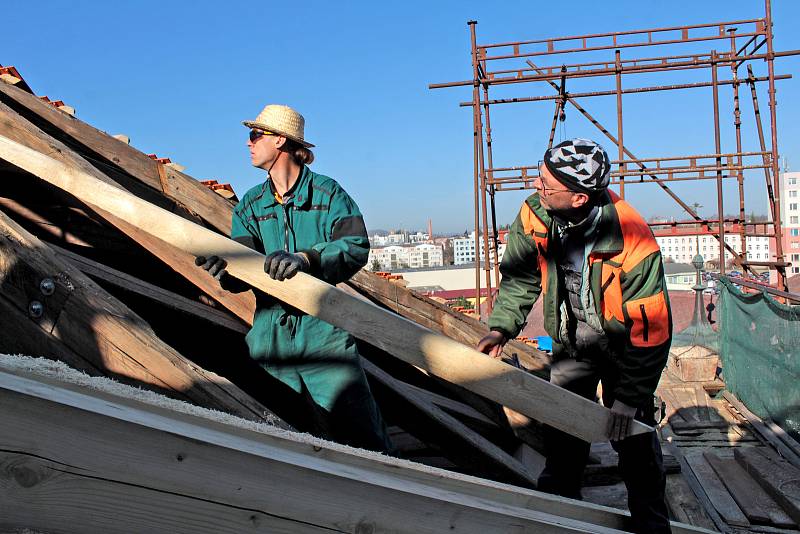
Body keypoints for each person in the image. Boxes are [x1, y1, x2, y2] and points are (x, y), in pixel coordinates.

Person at [477, 138, 672, 533]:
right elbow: (520, 277)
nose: (536, 186)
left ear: (580, 198)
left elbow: (651, 331)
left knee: (634, 444)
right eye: (539, 175)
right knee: (563, 437)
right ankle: (561, 519)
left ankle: (651, 526)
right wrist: (501, 327)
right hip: (571, 343)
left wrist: (629, 400)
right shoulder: (536, 213)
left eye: (547, 184)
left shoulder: (632, 237)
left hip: (624, 349)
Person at [197, 104, 391, 453]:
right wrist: (225, 271)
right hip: (269, 339)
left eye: (256, 135)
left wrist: (307, 259)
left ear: (281, 141)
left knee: (361, 433)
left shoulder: (329, 195)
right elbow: (245, 269)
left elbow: (355, 246)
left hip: (323, 334)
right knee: (281, 438)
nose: (248, 142)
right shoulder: (250, 207)